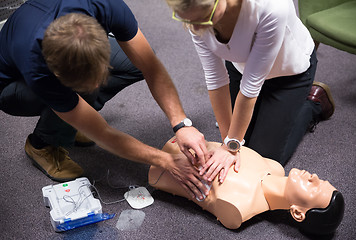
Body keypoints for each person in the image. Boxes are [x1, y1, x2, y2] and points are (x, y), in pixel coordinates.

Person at [0, 0, 210, 200]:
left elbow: (151, 67)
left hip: (49, 43)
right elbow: (103, 133)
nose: (96, 86)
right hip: (10, 87)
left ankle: (71, 121)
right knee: (78, 100)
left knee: (137, 60)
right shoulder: (37, 66)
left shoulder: (105, 6)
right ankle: (41, 145)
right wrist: (166, 161)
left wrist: (181, 123)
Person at [164, 0, 336, 183]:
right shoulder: (195, 17)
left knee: (262, 160)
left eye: (204, 18)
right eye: (190, 21)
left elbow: (250, 88)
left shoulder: (271, 7)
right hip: (241, 67)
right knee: (238, 148)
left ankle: (313, 104)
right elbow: (215, 79)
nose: (197, 27)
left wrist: (231, 147)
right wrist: (227, 143)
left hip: (288, 76)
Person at [149, 137, 345, 235]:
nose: (315, 177)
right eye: (321, 180)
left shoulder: (239, 207)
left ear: (297, 213)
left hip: (158, 169)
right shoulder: (274, 167)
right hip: (184, 137)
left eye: (314, 188)